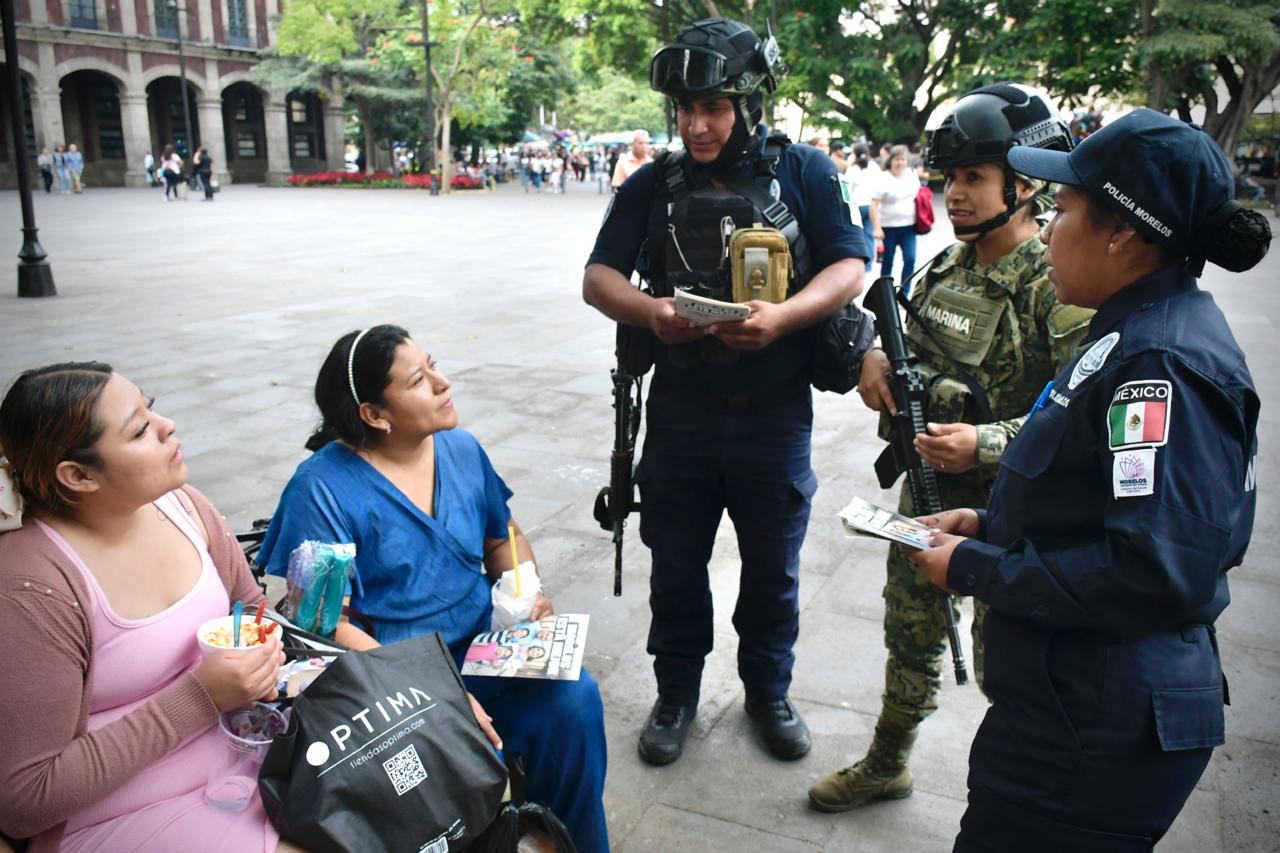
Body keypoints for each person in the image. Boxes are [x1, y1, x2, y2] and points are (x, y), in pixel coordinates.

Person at [907, 108, 1269, 849]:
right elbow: (1098, 501)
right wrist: (990, 525)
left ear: (1124, 233)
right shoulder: (1127, 331)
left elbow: (1152, 567)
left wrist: (978, 567)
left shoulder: (1160, 364)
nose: (1045, 230)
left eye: (1064, 210)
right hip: (1067, 706)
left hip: (1094, 732)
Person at [583, 17, 867, 766]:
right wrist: (652, 313)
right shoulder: (652, 183)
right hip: (679, 418)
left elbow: (849, 267)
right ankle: (675, 692)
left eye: (713, 108)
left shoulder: (805, 171)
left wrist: (784, 320)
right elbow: (597, 276)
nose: (697, 125)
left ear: (750, 105)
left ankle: (768, 691)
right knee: (676, 568)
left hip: (774, 419)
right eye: (685, 110)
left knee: (773, 571)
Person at [807, 83, 1093, 813]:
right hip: (927, 497)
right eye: (950, 178)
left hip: (1015, 515)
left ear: (1024, 186)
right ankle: (888, 761)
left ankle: (1020, 794)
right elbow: (910, 357)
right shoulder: (945, 268)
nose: (955, 195)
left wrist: (987, 444)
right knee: (911, 634)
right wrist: (871, 361)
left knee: (1014, 664)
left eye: (974, 178)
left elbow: (1085, 411)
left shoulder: (1054, 282)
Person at [257, 326, 609, 853]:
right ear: (375, 414)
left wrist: (524, 588)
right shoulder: (321, 488)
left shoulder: (461, 449)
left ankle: (571, 842)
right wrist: (438, 696)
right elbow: (322, 627)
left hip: (482, 653)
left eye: (434, 365)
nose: (444, 383)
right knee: (442, 778)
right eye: (420, 379)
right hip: (393, 686)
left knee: (573, 701)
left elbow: (502, 536)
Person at [0, 363, 297, 853]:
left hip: (250, 756)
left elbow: (252, 609)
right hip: (121, 813)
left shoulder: (184, 506)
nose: (167, 427)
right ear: (77, 475)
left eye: (150, 409)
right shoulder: (34, 589)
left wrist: (265, 661)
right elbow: (27, 796)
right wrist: (201, 698)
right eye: (139, 430)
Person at [871, 144, 922, 294]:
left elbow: (919, 196)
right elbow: (873, 205)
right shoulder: (883, 178)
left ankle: (904, 292)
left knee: (910, 258)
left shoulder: (912, 174)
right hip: (888, 228)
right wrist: (877, 227)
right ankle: (885, 294)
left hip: (909, 227)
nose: (900, 163)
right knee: (887, 262)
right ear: (891, 161)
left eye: (903, 159)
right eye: (897, 159)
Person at [843, 143, 882, 273]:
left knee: (857, 235)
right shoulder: (874, 166)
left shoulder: (853, 168)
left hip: (856, 205)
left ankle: (858, 260)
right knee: (869, 235)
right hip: (871, 205)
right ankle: (868, 265)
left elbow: (847, 188)